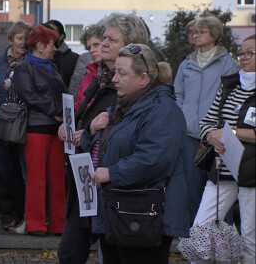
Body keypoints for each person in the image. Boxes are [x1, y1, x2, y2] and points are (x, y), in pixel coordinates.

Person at [81, 44, 188, 263]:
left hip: (144, 216)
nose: (114, 79)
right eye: (114, 72)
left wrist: (111, 173)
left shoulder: (163, 110)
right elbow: (98, 145)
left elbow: (153, 160)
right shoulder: (121, 106)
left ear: (143, 79)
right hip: (117, 212)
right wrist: (90, 130)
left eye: (122, 73)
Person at [57, 13, 151, 264]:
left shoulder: (137, 86)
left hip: (113, 183)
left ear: (131, 46)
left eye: (111, 39)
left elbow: (124, 128)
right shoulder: (100, 77)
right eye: (104, 38)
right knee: (69, 251)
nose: (104, 43)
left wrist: (87, 131)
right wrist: (71, 128)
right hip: (86, 179)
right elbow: (85, 114)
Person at [189, 34, 255, 264]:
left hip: (252, 174)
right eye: (242, 52)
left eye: (250, 52)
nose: (243, 57)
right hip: (223, 170)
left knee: (250, 240)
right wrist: (210, 135)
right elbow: (207, 121)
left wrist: (231, 133)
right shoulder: (229, 85)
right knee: (200, 233)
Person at [173, 16, 238, 225]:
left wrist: (217, 128)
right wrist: (183, 116)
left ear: (215, 34)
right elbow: (178, 94)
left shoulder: (228, 64)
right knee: (192, 192)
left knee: (220, 194)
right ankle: (196, 242)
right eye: (193, 31)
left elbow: (230, 98)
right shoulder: (186, 64)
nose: (195, 35)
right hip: (190, 136)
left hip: (217, 138)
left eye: (201, 31)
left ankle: (223, 245)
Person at [12, 24, 67, 237]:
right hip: (36, 128)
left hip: (55, 129)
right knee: (36, 179)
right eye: (52, 44)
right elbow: (30, 96)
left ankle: (58, 224)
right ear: (41, 46)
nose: (55, 48)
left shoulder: (52, 67)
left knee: (57, 179)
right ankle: (35, 224)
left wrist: (61, 112)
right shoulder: (24, 67)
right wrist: (56, 110)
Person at [0, 20, 32, 233]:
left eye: (27, 39)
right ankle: (18, 214)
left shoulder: (32, 62)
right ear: (10, 40)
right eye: (19, 38)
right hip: (1, 125)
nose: (23, 43)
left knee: (24, 173)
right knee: (7, 173)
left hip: (23, 126)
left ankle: (25, 216)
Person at [45, 20, 79, 89]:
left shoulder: (74, 59)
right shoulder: (40, 58)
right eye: (46, 31)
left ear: (61, 36)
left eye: (52, 31)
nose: (48, 34)